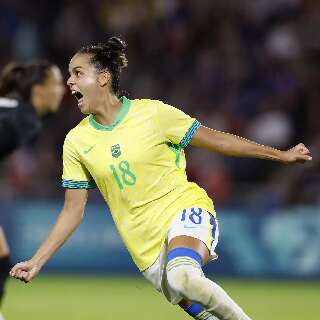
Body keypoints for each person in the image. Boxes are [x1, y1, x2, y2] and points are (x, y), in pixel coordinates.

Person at [9, 37, 312, 320]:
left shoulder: (153, 114)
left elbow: (217, 140)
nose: (70, 82)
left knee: (183, 275)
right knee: (202, 307)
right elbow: (73, 209)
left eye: (77, 73)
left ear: (103, 78)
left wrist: (280, 155)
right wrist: (38, 260)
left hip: (184, 210)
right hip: (146, 251)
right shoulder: (76, 142)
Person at [0, 60, 65, 319]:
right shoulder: (23, 120)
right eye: (57, 83)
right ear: (39, 91)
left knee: (2, 258)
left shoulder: (15, 112)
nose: (63, 89)